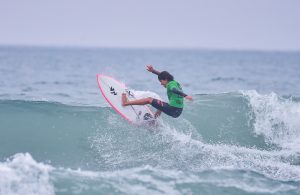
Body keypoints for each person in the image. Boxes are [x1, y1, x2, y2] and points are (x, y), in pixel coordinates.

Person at [122, 65, 193, 118]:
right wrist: (153, 70)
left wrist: (185, 96)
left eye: (161, 81)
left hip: (173, 109)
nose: (161, 83)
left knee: (149, 100)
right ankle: (154, 119)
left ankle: (126, 103)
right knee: (160, 103)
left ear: (165, 79)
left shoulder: (170, 85)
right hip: (178, 111)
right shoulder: (174, 82)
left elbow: (174, 90)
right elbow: (163, 75)